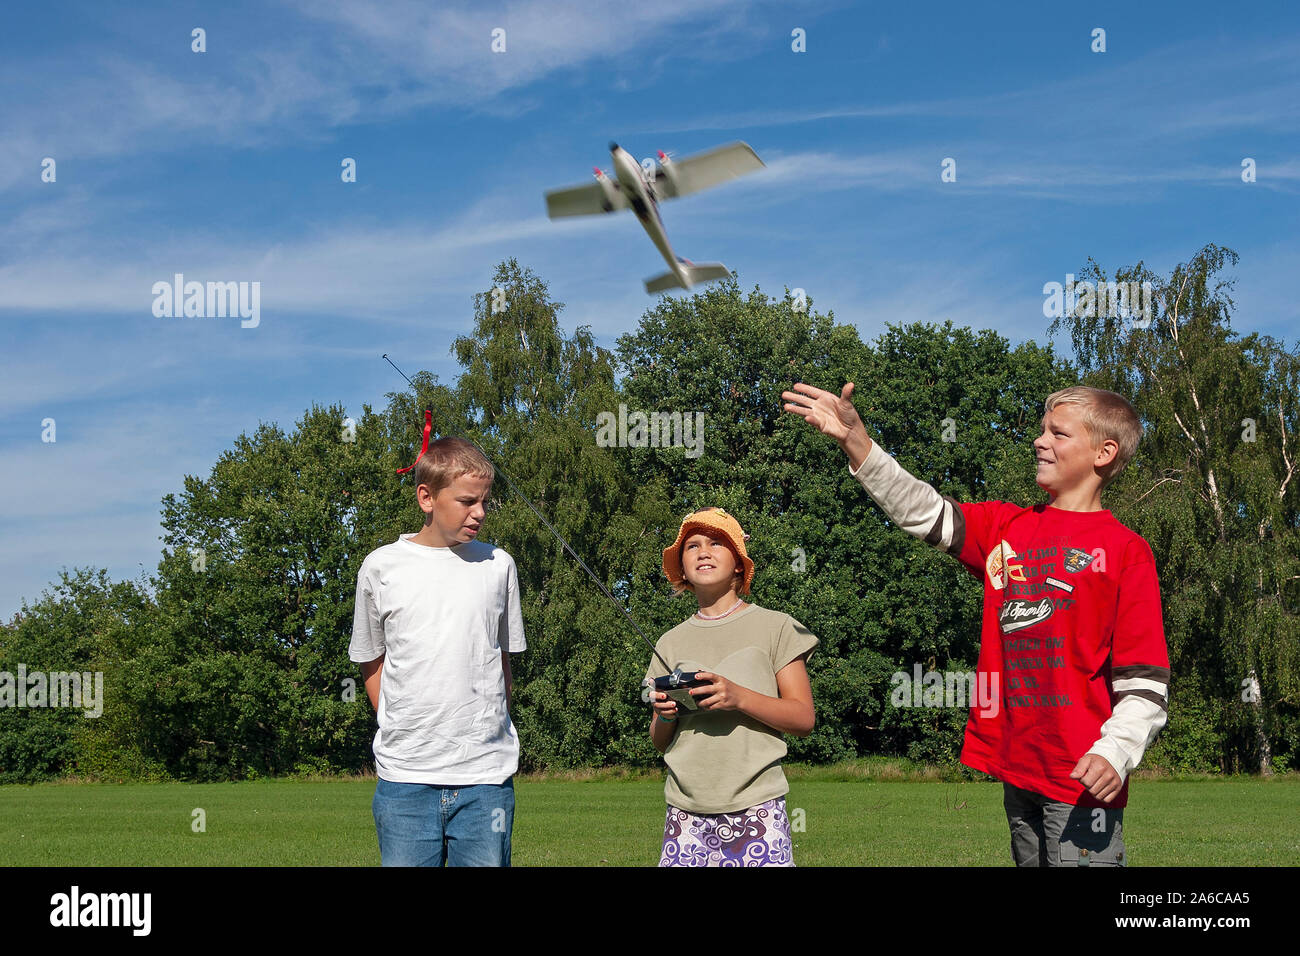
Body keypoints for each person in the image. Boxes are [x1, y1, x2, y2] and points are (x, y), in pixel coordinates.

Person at [782, 382, 1169, 867]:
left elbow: (1145, 683)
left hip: (1083, 779)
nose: (1039, 440)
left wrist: (1116, 752)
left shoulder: (1126, 551)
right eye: (1041, 430)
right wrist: (855, 440)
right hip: (1020, 769)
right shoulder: (1007, 527)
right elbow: (922, 511)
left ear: (1104, 451)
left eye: (1059, 433)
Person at [349, 436, 526, 867]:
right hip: (405, 780)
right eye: (467, 501)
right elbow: (371, 658)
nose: (480, 513)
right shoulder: (381, 567)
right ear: (426, 497)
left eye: (484, 501)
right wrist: (399, 722)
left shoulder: (498, 565)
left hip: (486, 778)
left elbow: (502, 659)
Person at [646, 507, 818, 866]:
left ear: (739, 562)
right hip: (685, 815)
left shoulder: (778, 627)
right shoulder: (668, 643)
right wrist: (664, 715)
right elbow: (660, 741)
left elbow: (803, 718)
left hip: (758, 810)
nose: (702, 552)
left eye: (716, 543)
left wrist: (737, 696)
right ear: (683, 567)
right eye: (691, 546)